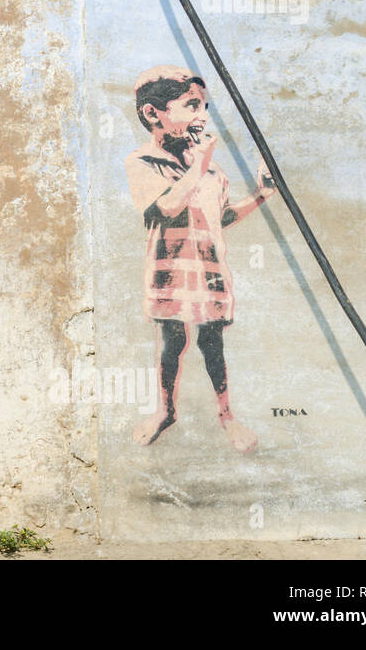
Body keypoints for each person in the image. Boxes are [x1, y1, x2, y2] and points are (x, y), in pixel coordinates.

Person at [124, 66, 277, 453]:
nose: (202, 116)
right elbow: (168, 206)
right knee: (170, 343)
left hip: (209, 270)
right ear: (153, 114)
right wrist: (198, 166)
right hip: (170, 270)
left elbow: (221, 218)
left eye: (204, 106)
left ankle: (226, 415)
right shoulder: (143, 161)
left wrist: (261, 195)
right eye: (192, 105)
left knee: (212, 343)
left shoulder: (212, 172)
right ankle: (165, 410)